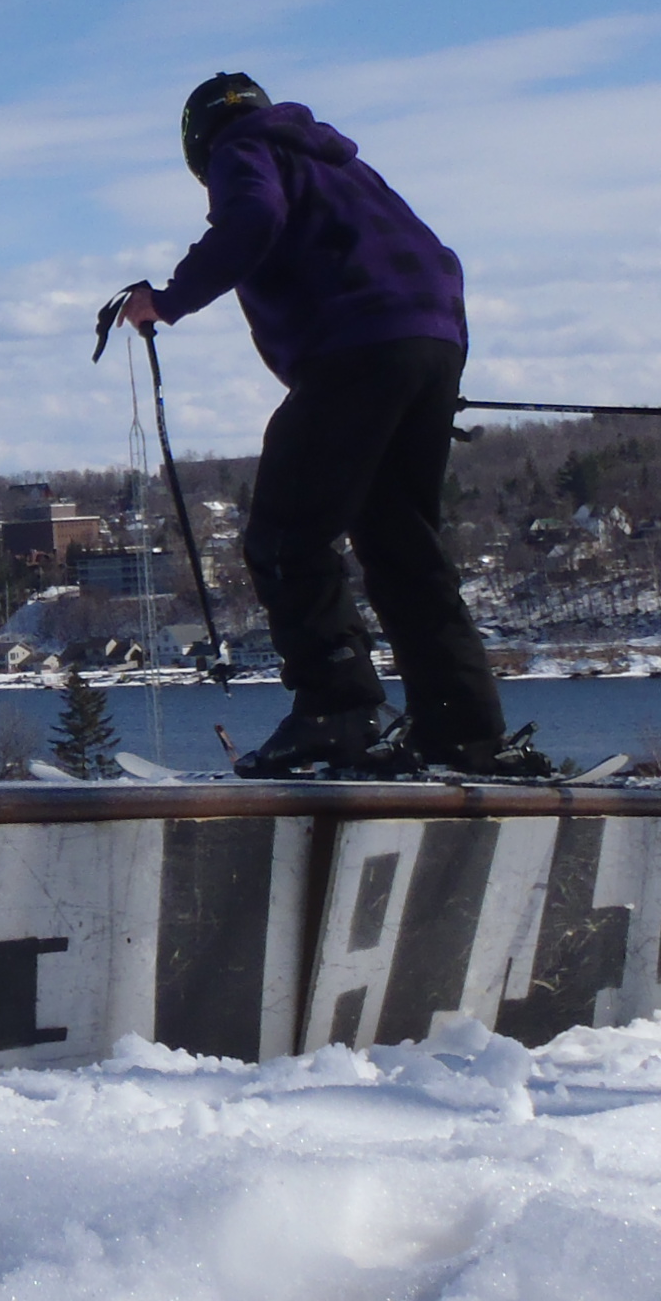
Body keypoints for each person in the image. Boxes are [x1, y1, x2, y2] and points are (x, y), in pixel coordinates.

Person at [119, 72, 541, 778]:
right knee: (405, 549)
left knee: (286, 538)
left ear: (198, 145)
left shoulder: (241, 150)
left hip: (356, 351)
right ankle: (464, 731)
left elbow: (251, 219)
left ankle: (336, 711)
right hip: (430, 345)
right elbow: (441, 258)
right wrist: (426, 360)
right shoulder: (345, 166)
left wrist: (166, 300)